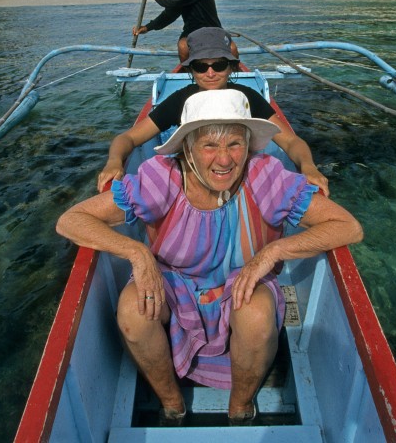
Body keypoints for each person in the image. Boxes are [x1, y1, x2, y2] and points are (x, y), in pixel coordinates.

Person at [56, 89, 363, 425]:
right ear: (187, 149)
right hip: (173, 281)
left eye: (234, 144)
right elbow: (71, 220)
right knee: (133, 312)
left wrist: (273, 252)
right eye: (209, 146)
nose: (225, 159)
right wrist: (137, 252)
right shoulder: (164, 178)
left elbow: (347, 226)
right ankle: (172, 404)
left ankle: (240, 406)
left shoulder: (264, 176)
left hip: (241, 283)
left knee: (257, 316)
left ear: (248, 146)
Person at [97, 27, 330, 196]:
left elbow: (290, 142)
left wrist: (308, 166)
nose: (210, 73)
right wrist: (114, 161)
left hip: (237, 175)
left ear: (230, 67)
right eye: (201, 66)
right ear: (191, 70)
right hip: (197, 182)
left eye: (218, 65)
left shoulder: (246, 98)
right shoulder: (181, 100)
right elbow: (128, 137)